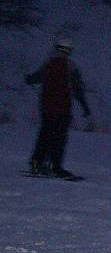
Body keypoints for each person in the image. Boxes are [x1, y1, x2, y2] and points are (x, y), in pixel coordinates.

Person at [25, 37, 92, 178]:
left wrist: (29, 78)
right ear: (68, 50)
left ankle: (36, 163)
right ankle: (54, 166)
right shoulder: (70, 66)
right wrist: (85, 107)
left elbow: (35, 78)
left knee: (44, 135)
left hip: (46, 107)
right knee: (59, 137)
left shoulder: (48, 64)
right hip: (62, 108)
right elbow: (78, 89)